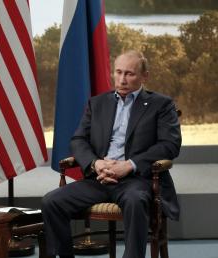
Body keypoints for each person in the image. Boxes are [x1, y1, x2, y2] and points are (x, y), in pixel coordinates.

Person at [41, 50, 182, 258]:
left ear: (145, 76)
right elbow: (78, 140)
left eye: (130, 74)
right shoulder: (97, 103)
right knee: (51, 202)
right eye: (118, 72)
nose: (122, 79)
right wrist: (96, 163)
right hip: (99, 178)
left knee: (136, 201)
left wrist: (129, 165)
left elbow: (170, 145)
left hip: (137, 180)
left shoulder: (161, 104)